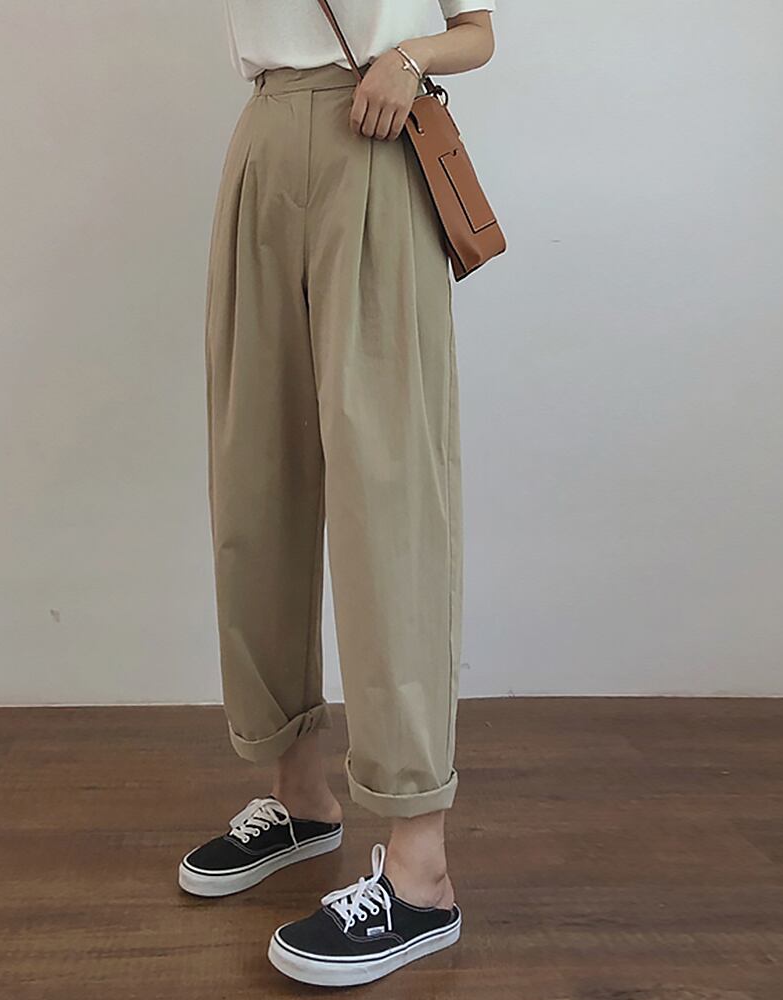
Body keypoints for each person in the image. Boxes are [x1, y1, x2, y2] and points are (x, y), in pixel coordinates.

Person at [179, 0, 496, 988]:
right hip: (264, 140)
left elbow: (478, 30)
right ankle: (301, 797)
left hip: (377, 135)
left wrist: (409, 56)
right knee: (254, 483)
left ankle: (420, 869)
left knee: (387, 503)